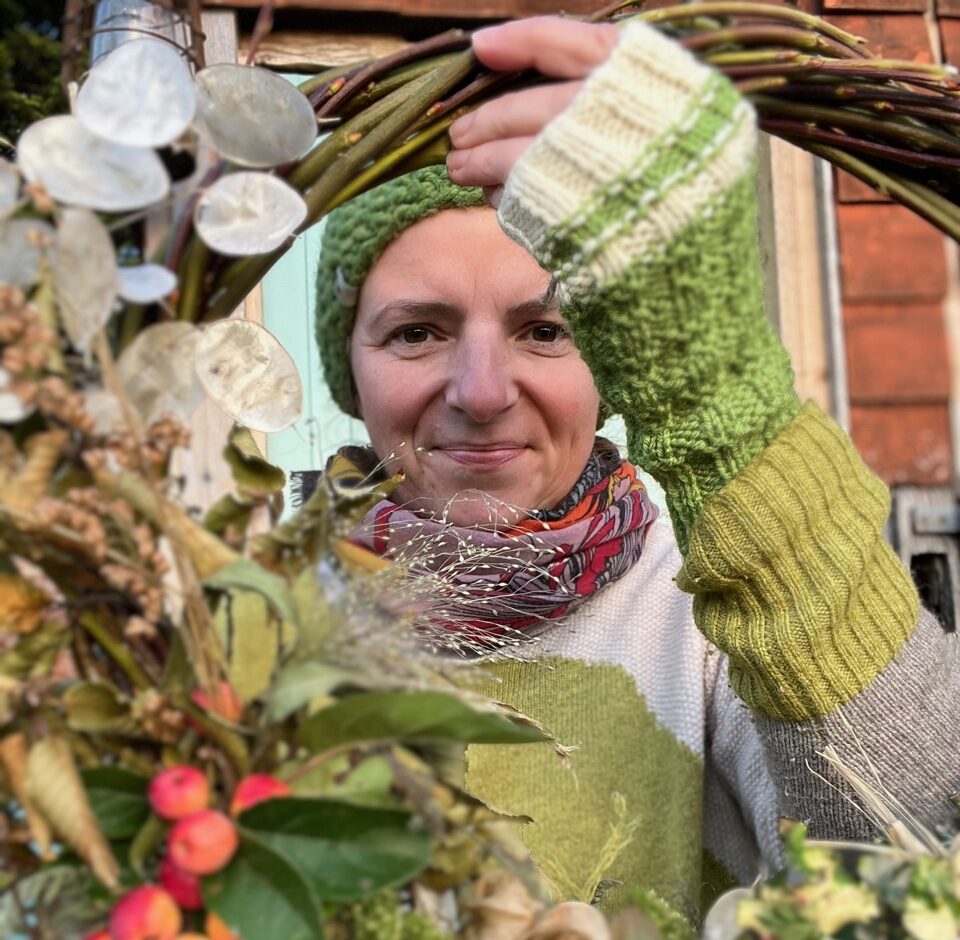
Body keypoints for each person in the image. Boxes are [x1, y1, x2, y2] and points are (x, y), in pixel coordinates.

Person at [313, 16, 960, 920]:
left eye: (547, 330)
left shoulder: (706, 618)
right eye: (417, 332)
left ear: (626, 357)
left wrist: (717, 397)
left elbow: (922, 842)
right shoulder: (242, 606)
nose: (483, 391)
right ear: (348, 369)